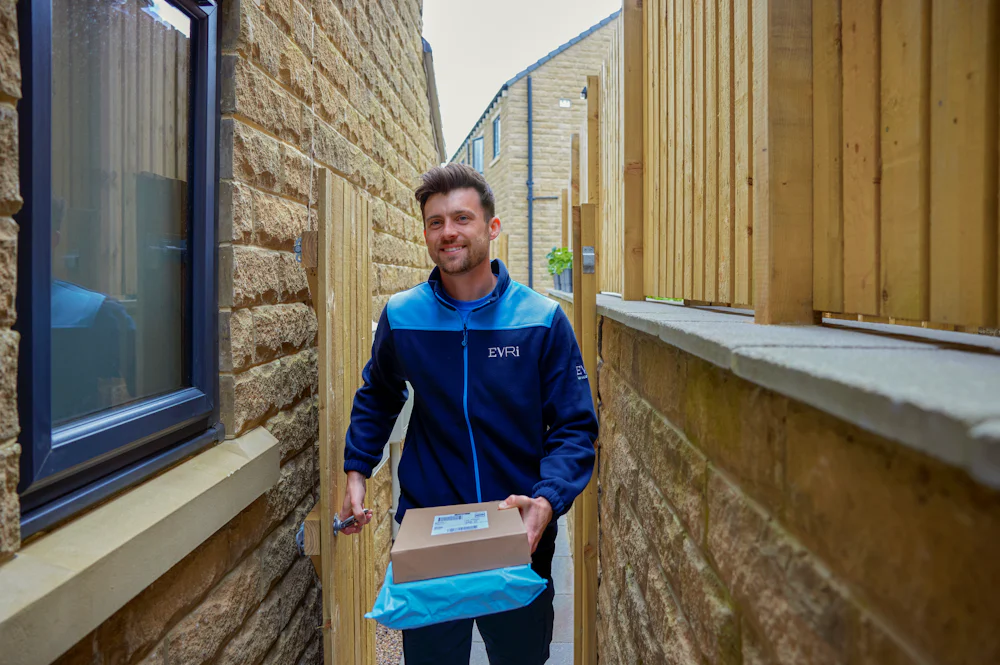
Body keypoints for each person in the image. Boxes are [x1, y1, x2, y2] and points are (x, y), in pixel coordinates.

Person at [338, 163, 598, 665]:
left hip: (520, 530)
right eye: (436, 222)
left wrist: (547, 500)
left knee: (520, 658)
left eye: (462, 218)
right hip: (432, 532)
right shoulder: (403, 314)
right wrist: (357, 470)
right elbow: (378, 394)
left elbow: (574, 427)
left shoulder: (541, 320)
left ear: (491, 227)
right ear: (426, 233)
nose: (448, 232)